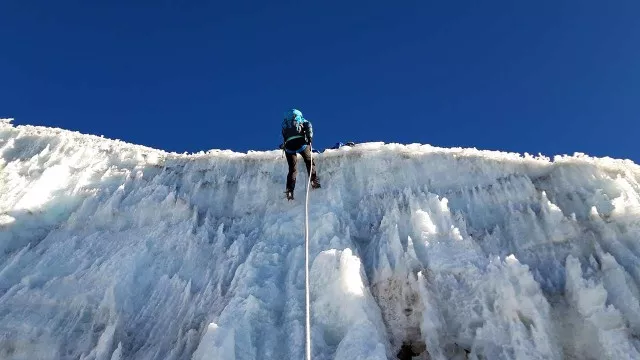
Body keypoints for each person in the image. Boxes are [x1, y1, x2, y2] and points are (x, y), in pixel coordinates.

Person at [281, 108, 320, 200]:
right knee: (309, 160)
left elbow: (284, 135)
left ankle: (289, 190)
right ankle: (313, 181)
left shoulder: (285, 123)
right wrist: (309, 137)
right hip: (301, 143)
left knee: (292, 169)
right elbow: (309, 126)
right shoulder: (301, 120)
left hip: (289, 146)